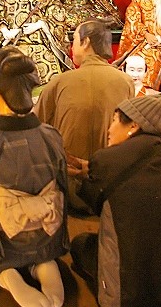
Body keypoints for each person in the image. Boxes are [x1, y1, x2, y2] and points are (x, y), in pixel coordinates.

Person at [70, 94, 161, 307]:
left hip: (130, 289)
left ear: (134, 125)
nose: (109, 129)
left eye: (114, 120)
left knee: (80, 245)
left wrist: (89, 174)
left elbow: (91, 203)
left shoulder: (106, 158)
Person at [0, 47, 68, 307]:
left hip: (4, 241)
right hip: (46, 233)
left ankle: (6, 275)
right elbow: (63, 187)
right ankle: (43, 264)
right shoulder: (51, 136)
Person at [35, 20, 134, 212]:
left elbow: (36, 128)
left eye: (73, 40)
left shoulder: (60, 82)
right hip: (109, 186)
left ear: (86, 42)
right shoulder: (125, 82)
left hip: (66, 188)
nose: (71, 47)